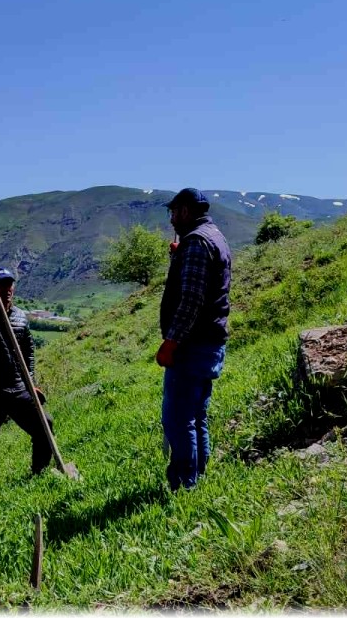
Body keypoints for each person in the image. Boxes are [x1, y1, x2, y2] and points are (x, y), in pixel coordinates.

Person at [155, 188, 231, 491]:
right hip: (209, 342)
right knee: (196, 413)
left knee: (178, 418)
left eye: (174, 212)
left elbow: (191, 300)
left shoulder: (198, 243)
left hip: (192, 345)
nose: (172, 218)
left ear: (186, 211)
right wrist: (180, 257)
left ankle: (184, 485)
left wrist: (171, 342)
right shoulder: (214, 237)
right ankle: (197, 476)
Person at [0, 268, 54, 493]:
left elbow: (29, 350)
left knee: (45, 425)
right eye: (2, 285)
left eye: (10, 285)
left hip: (16, 386)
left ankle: (39, 472)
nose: (7, 289)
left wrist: (31, 383)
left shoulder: (20, 316)